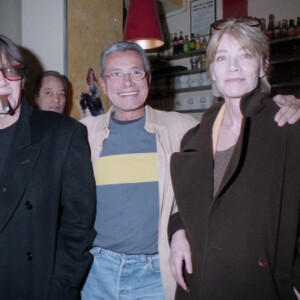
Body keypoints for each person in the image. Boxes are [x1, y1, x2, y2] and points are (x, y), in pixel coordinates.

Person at [80, 41, 300, 300]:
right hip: (96, 273)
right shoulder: (83, 133)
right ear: (103, 84)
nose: (127, 82)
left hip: (157, 274)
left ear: (148, 78)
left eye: (136, 72)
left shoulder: (185, 128)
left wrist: (282, 105)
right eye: (116, 74)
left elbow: (240, 152)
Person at [168, 17, 300, 299]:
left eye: (246, 55)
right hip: (199, 284)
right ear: (212, 72)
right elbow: (188, 206)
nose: (234, 67)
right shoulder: (193, 137)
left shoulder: (288, 127)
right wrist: (178, 233)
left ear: (263, 65)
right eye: (222, 58)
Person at [0, 34, 96, 299]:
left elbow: (79, 223)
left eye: (9, 70)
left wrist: (61, 286)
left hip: (37, 287)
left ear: (22, 77)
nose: (1, 81)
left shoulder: (62, 133)